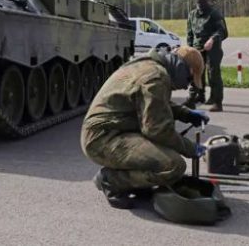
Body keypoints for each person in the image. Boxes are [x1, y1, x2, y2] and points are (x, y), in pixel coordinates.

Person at [81, 46, 210, 209]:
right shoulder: (156, 76)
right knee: (173, 165)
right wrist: (190, 148)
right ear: (181, 67)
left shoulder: (149, 66)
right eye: (189, 79)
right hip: (103, 139)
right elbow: (157, 129)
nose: (186, 86)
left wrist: (186, 114)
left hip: (112, 131)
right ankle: (111, 180)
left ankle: (136, 183)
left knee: (161, 152)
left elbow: (154, 102)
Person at [185, 0, 229, 112]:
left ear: (207, 0)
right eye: (197, 0)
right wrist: (189, 48)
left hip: (212, 49)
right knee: (196, 72)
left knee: (213, 73)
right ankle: (196, 97)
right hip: (197, 48)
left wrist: (212, 39)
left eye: (202, 0)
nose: (199, 2)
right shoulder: (192, 15)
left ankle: (217, 102)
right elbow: (189, 34)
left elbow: (222, 31)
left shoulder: (214, 13)